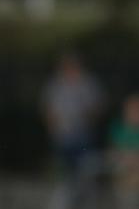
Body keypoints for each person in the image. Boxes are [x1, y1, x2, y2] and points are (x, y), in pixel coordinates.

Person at [41, 53, 104, 182]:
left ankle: (85, 191)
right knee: (65, 168)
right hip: (63, 134)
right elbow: (48, 108)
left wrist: (88, 120)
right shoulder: (55, 85)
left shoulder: (89, 83)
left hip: (83, 132)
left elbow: (98, 106)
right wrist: (53, 128)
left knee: (86, 166)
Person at [108, 93, 139, 209]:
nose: (138, 114)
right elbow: (113, 153)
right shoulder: (118, 130)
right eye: (134, 110)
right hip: (126, 181)